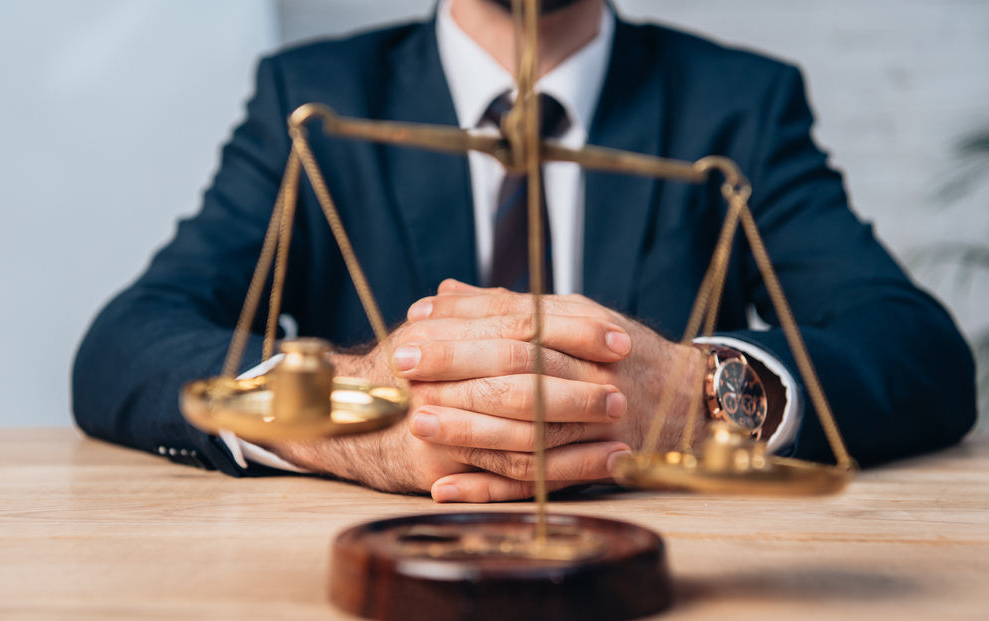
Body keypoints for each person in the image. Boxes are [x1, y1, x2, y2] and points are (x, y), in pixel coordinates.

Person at [72, 0, 977, 503]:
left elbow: (915, 348)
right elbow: (127, 342)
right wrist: (353, 419)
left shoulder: (738, 102)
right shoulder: (313, 96)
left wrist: (693, 395)